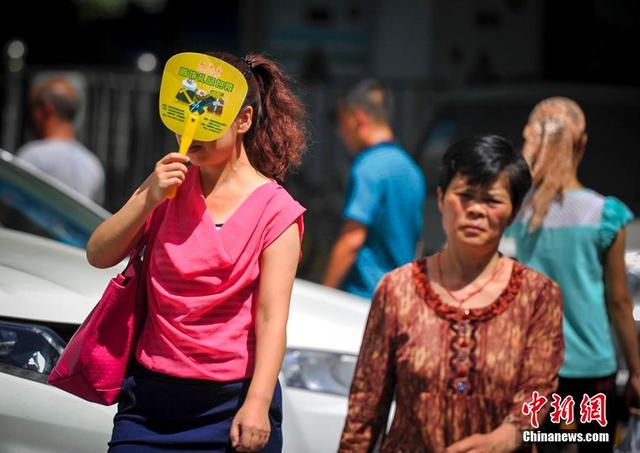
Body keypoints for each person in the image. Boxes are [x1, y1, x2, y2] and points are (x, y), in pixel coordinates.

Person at [86, 52, 307, 452]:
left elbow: (272, 317)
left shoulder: (277, 210)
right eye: (185, 109)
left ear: (244, 120)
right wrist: (147, 199)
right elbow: (99, 253)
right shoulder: (165, 185)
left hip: (231, 402)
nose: (194, 127)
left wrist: (256, 404)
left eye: (210, 115)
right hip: (149, 401)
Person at [339, 135, 564, 452]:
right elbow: (366, 403)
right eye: (465, 196)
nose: (475, 210)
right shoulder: (397, 289)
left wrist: (508, 436)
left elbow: (539, 389)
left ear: (513, 213)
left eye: (492, 200)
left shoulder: (538, 295)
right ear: (442, 199)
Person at [505, 97, 640, 451]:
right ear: (582, 143)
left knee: (539, 446)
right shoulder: (604, 214)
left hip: (534, 369)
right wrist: (637, 370)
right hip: (593, 370)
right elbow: (619, 300)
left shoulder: (518, 214)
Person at [322, 79, 425, 299]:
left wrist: (325, 291)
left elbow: (353, 238)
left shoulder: (368, 167)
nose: (341, 133)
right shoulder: (411, 168)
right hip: (401, 295)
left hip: (365, 297)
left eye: (342, 123)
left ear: (358, 118)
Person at [16, 77, 105, 204]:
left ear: (47, 109)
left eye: (33, 109)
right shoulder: (92, 164)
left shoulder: (32, 156)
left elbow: (14, 205)